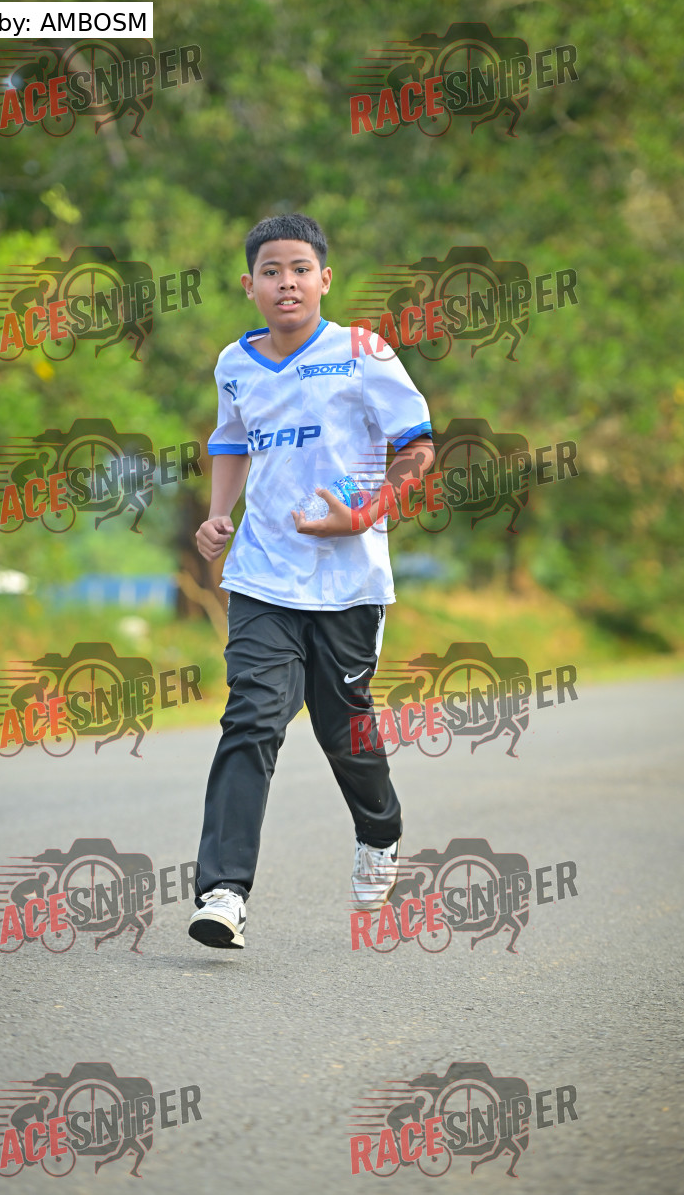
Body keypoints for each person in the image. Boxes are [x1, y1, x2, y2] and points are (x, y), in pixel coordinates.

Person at [188, 213, 435, 949]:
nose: (286, 282)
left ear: (325, 279)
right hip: (263, 574)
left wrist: (366, 513)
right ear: (249, 285)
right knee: (252, 718)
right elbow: (232, 439)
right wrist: (218, 515)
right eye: (271, 271)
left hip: (349, 583)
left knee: (342, 728)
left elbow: (418, 447)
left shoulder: (363, 352)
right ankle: (223, 892)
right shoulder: (234, 362)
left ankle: (380, 830)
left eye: (300, 269)